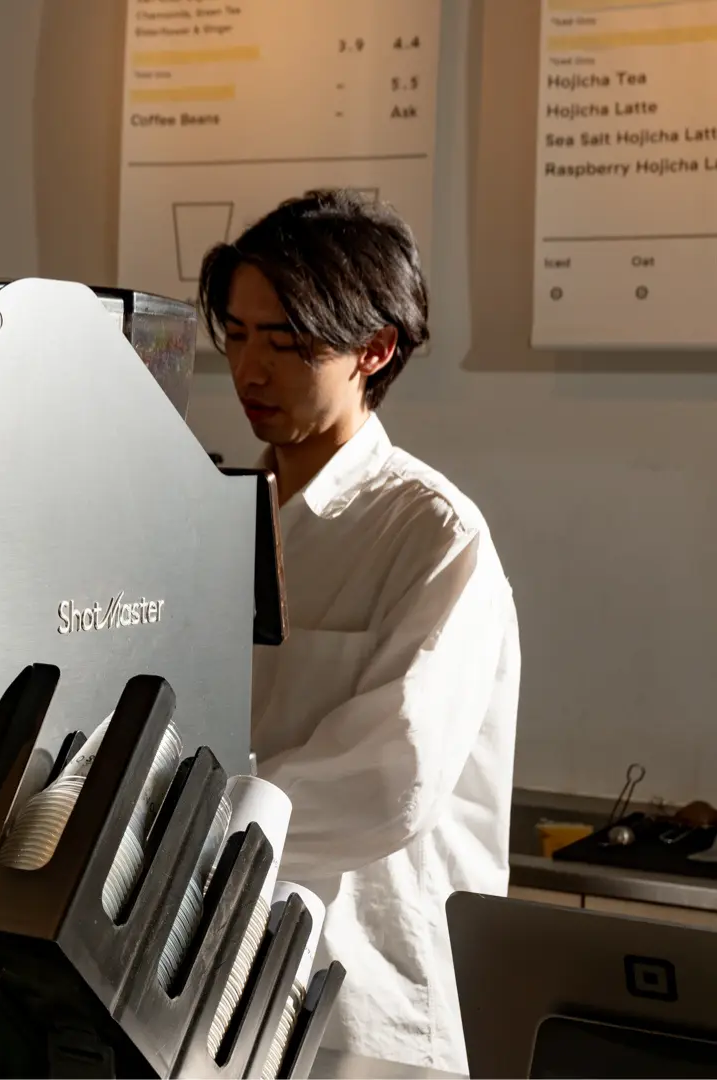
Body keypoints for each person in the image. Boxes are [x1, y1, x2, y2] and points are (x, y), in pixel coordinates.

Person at [199, 189, 519, 1073]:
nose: (250, 370)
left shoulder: (433, 533)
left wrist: (191, 833)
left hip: (371, 1003)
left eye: (285, 343)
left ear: (374, 349)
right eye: (238, 335)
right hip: (220, 981)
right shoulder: (214, 515)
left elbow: (391, 776)